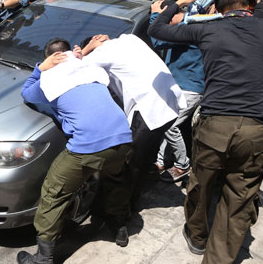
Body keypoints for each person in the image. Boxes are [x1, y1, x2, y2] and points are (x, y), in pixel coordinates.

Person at [148, 0, 263, 263]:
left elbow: (156, 28)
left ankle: (197, 237)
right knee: (239, 201)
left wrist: (178, 4)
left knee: (201, 187)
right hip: (255, 131)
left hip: (215, 126)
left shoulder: (206, 29)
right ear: (251, 6)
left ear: (217, 7)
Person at [17, 38, 133, 263]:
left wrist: (41, 68)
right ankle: (119, 227)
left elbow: (26, 93)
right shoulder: (89, 69)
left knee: (54, 192)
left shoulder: (49, 79)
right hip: (123, 138)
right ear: (71, 53)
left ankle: (43, 258)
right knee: (116, 179)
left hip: (88, 146)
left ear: (49, 58)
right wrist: (81, 56)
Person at [79, 34, 185, 204]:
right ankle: (134, 199)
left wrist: (86, 50)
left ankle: (122, 206)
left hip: (149, 112)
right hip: (170, 105)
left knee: (129, 161)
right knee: (146, 156)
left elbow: (73, 69)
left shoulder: (101, 54)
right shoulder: (130, 38)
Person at [149, 1, 205, 182]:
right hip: (180, 85)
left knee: (169, 125)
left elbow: (157, 40)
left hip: (190, 88)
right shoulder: (190, 27)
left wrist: (155, 16)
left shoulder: (189, 29)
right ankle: (160, 162)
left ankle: (183, 164)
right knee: (169, 125)